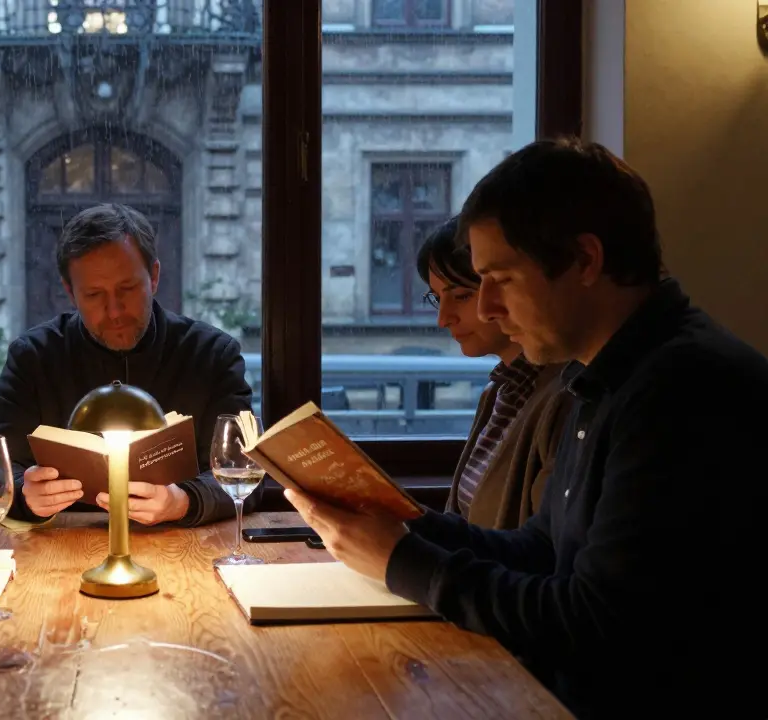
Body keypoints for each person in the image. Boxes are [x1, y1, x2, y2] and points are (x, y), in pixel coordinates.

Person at [286, 137, 766, 718]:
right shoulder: (604, 374)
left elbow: (594, 622)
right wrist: (410, 525)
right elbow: (542, 550)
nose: (486, 308)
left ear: (585, 261)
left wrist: (402, 562)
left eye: (501, 278)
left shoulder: (682, 390)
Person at [0, 202, 258, 526]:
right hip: (63, 547)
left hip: (184, 545)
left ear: (153, 277)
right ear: (70, 293)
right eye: (94, 295)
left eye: (127, 289)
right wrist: (24, 492)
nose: (114, 311)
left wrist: (183, 501)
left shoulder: (213, 355)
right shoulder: (33, 358)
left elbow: (248, 477)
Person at [416, 216, 572, 529]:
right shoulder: (501, 390)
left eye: (461, 296)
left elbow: (543, 552)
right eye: (437, 298)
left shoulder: (566, 395)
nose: (443, 318)